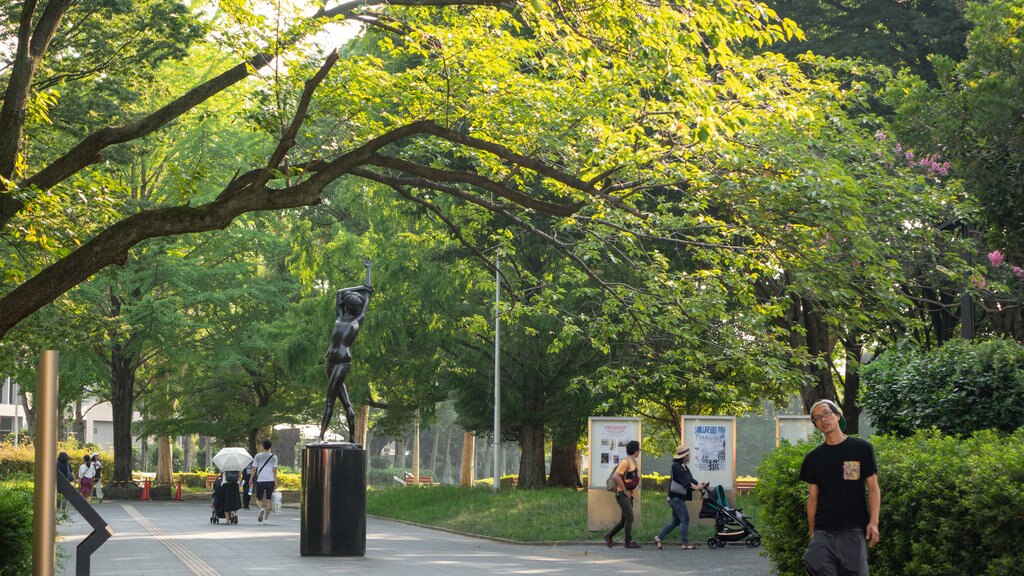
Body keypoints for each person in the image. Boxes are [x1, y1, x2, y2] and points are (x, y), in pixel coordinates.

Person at [801, 399, 881, 576]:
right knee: (814, 565)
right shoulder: (813, 458)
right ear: (816, 425)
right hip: (823, 533)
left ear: (837, 416)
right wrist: (813, 533)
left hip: (852, 531)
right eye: (817, 418)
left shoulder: (861, 449)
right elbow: (813, 497)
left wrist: (874, 522)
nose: (823, 419)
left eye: (827, 413)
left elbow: (873, 488)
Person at [319, 257, 373, 443]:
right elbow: (340, 292)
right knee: (345, 401)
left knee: (329, 400)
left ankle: (320, 437)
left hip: (342, 363)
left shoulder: (356, 321)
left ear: (351, 305)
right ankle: (352, 438)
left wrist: (368, 272)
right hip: (330, 362)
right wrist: (360, 286)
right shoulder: (340, 317)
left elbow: (368, 295)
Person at [654, 444, 707, 550]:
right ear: (684, 456)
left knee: (676, 521)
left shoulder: (683, 467)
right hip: (675, 498)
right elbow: (685, 482)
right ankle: (685, 543)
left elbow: (691, 479)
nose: (690, 456)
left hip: (678, 498)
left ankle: (659, 537)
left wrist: (701, 486)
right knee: (685, 519)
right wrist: (697, 488)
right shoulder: (676, 466)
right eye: (689, 455)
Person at [603, 440, 642, 549]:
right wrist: (625, 490)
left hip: (629, 494)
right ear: (636, 451)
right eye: (638, 449)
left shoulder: (634, 462)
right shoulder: (626, 462)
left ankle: (608, 535)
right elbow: (616, 476)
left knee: (624, 520)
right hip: (622, 494)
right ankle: (628, 541)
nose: (639, 451)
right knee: (630, 518)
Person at [250, 439, 278, 523]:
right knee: (269, 500)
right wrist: (276, 482)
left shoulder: (258, 456)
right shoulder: (274, 457)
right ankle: (266, 519)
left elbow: (254, 469)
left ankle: (261, 509)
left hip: (260, 480)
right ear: (270, 447)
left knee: (258, 499)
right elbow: (274, 470)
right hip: (270, 480)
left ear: (263, 446)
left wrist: (251, 479)